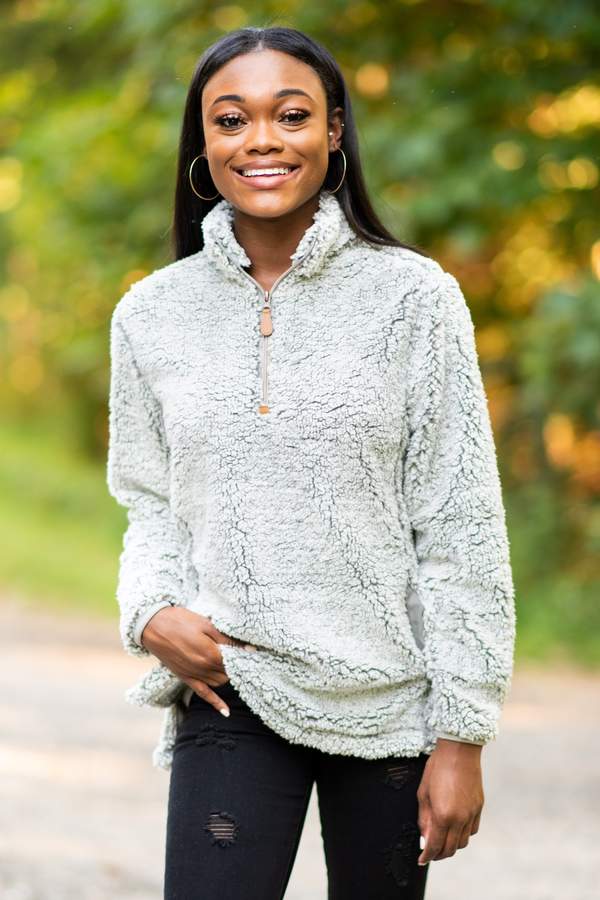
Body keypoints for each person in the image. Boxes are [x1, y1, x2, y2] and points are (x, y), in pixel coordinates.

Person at [106, 25, 516, 900]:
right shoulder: (151, 314)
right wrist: (150, 611)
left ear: (333, 131)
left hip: (389, 704)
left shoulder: (415, 299)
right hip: (232, 686)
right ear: (203, 142)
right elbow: (149, 502)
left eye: (290, 116)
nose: (261, 140)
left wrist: (464, 734)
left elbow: (461, 525)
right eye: (232, 120)